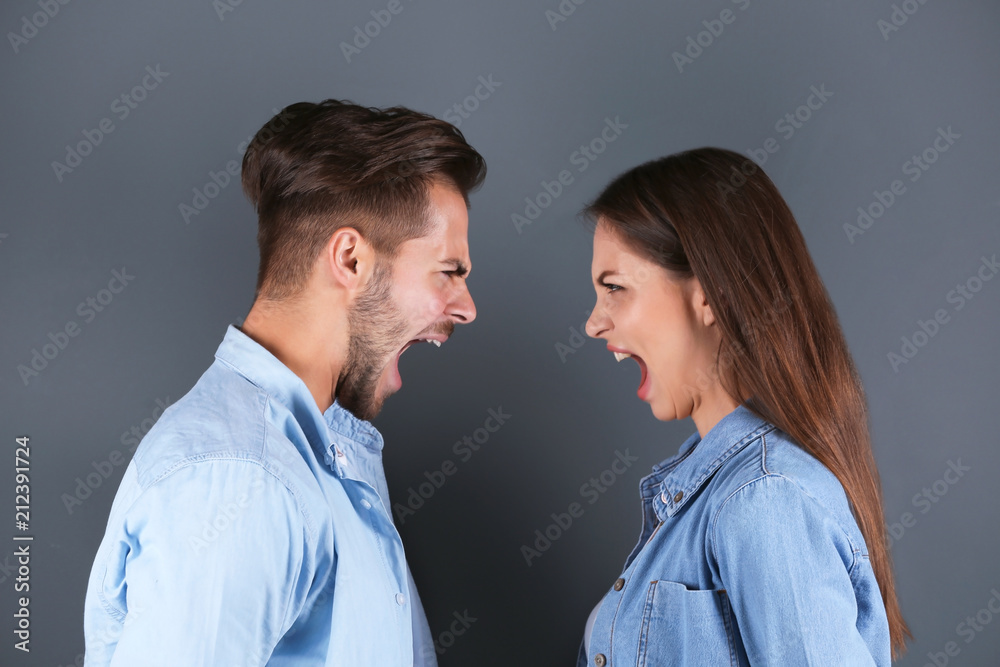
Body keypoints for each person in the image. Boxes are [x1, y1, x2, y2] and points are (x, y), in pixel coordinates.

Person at [83, 99, 486, 666]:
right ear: (350, 259)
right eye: (448, 272)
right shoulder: (241, 479)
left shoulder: (326, 451)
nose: (466, 308)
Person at [576, 147, 909, 666]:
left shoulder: (765, 499)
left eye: (615, 288)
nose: (594, 323)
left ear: (707, 295)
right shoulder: (724, 493)